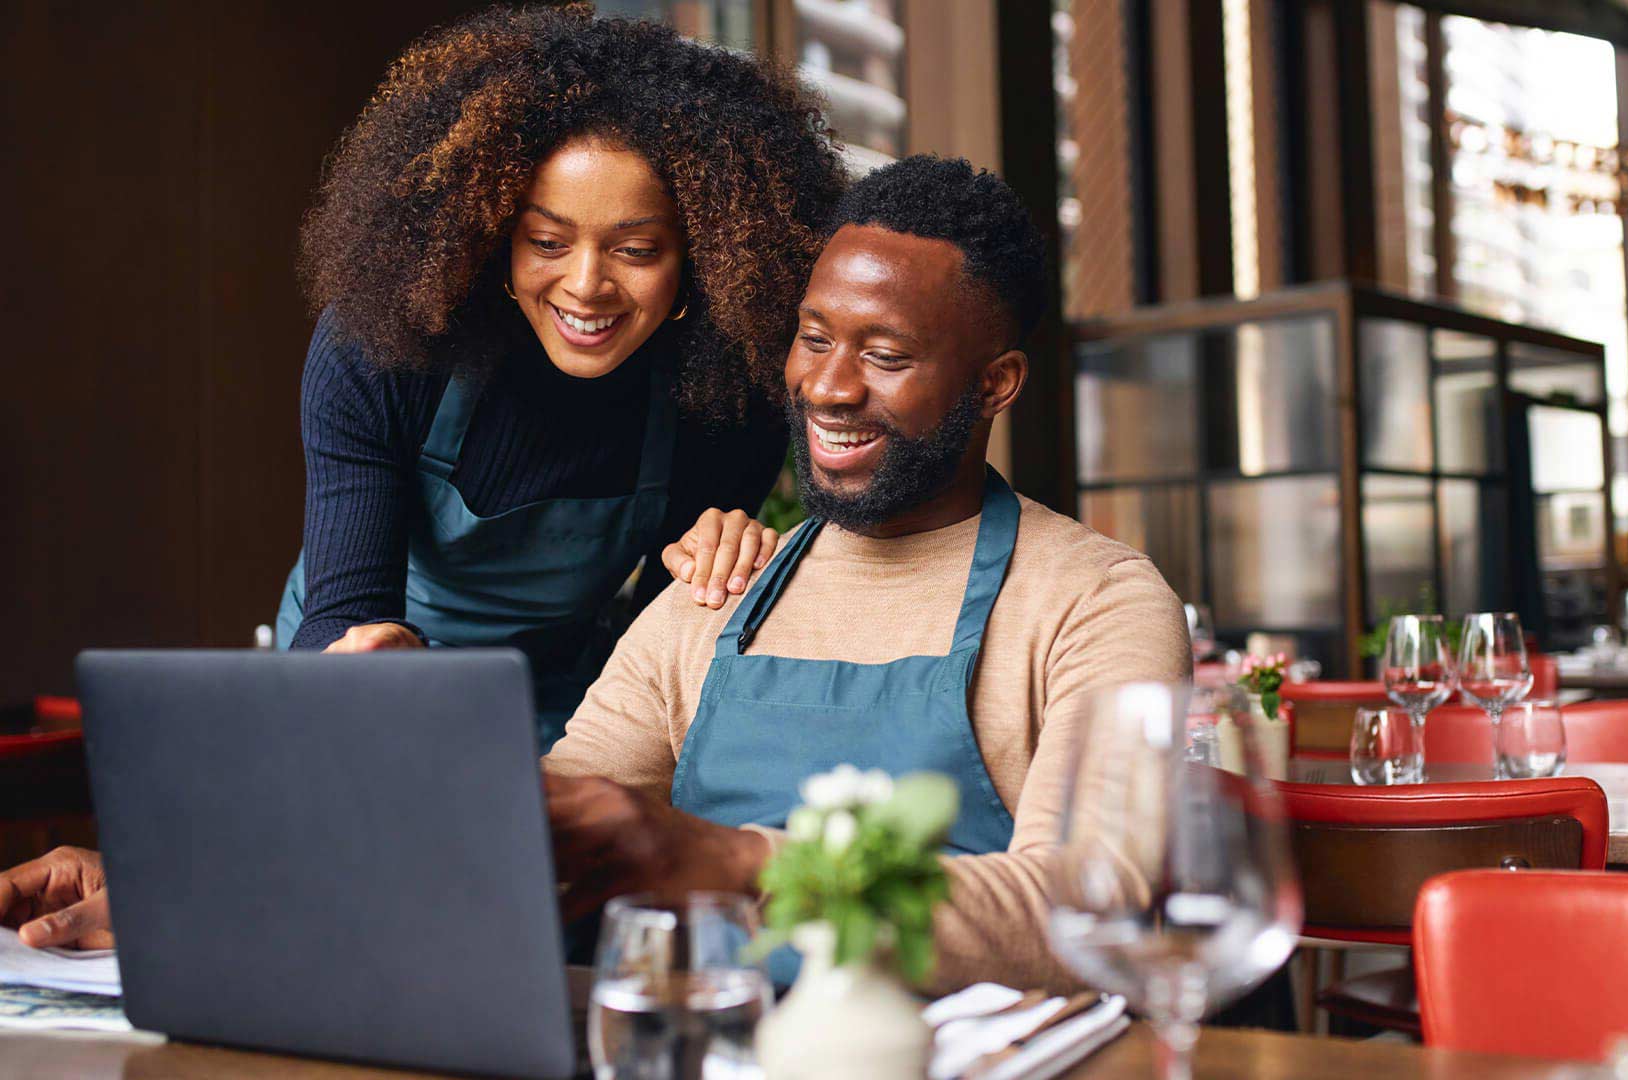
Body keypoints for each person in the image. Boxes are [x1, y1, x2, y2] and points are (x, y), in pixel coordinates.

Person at [2, 157, 1189, 995]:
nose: (827, 389)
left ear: (998, 384)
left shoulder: (1094, 600)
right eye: (814, 339)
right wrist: (189, 888)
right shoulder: (717, 593)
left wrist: (720, 861)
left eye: (884, 356)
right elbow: (508, 844)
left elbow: (1091, 906)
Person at [278, 6, 846, 747]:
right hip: (365, 682)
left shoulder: (728, 395)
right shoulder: (384, 347)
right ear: (493, 234)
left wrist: (717, 572)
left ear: (703, 262)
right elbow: (343, 608)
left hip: (562, 699)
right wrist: (362, 658)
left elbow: (656, 654)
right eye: (546, 240)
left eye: (636, 251)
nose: (585, 286)